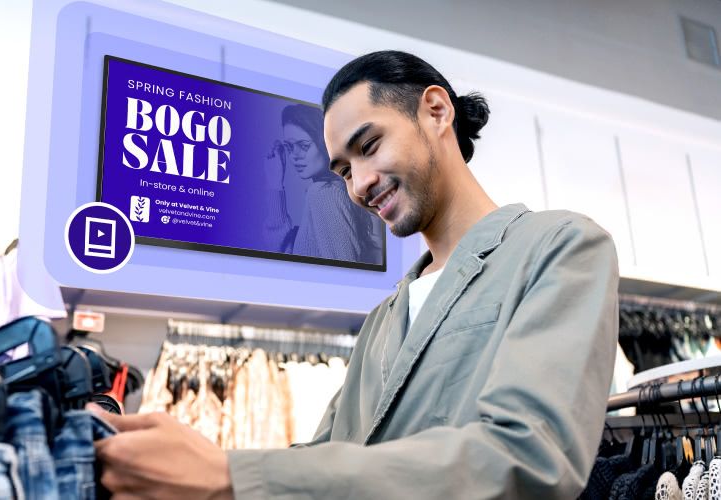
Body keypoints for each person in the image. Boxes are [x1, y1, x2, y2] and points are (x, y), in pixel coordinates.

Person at [89, 50, 620, 499]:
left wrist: (232, 477)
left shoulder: (560, 247)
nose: (359, 184)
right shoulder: (384, 320)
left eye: (368, 147)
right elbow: (330, 452)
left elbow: (528, 458)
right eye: (343, 171)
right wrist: (186, 462)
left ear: (436, 112)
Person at [262, 103, 382, 264]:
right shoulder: (335, 190)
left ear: (325, 144)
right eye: (289, 146)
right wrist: (274, 183)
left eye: (303, 146)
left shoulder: (323, 194)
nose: (295, 155)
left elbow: (344, 271)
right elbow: (281, 252)